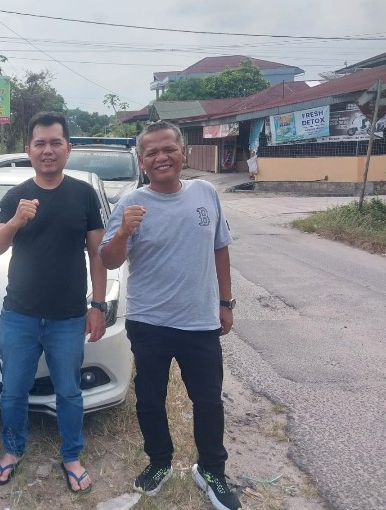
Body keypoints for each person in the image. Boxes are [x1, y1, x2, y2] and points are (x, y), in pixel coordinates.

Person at [99, 121, 241, 510]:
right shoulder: (130, 203)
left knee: (208, 400)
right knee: (149, 399)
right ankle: (159, 462)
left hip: (200, 321)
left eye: (168, 149)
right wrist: (124, 232)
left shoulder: (205, 192)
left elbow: (221, 248)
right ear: (142, 161)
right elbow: (108, 259)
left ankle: (211, 469)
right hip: (150, 323)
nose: (161, 158)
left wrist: (225, 303)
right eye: (152, 153)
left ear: (183, 152)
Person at [0, 112, 107, 493]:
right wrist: (16, 221)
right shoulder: (14, 197)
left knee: (68, 391)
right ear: (29, 150)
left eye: (56, 143)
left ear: (68, 148)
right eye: (40, 143)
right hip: (19, 314)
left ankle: (71, 455)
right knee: (13, 390)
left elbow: (98, 254)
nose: (48, 150)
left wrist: (98, 305)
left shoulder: (84, 195)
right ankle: (12, 450)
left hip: (68, 317)